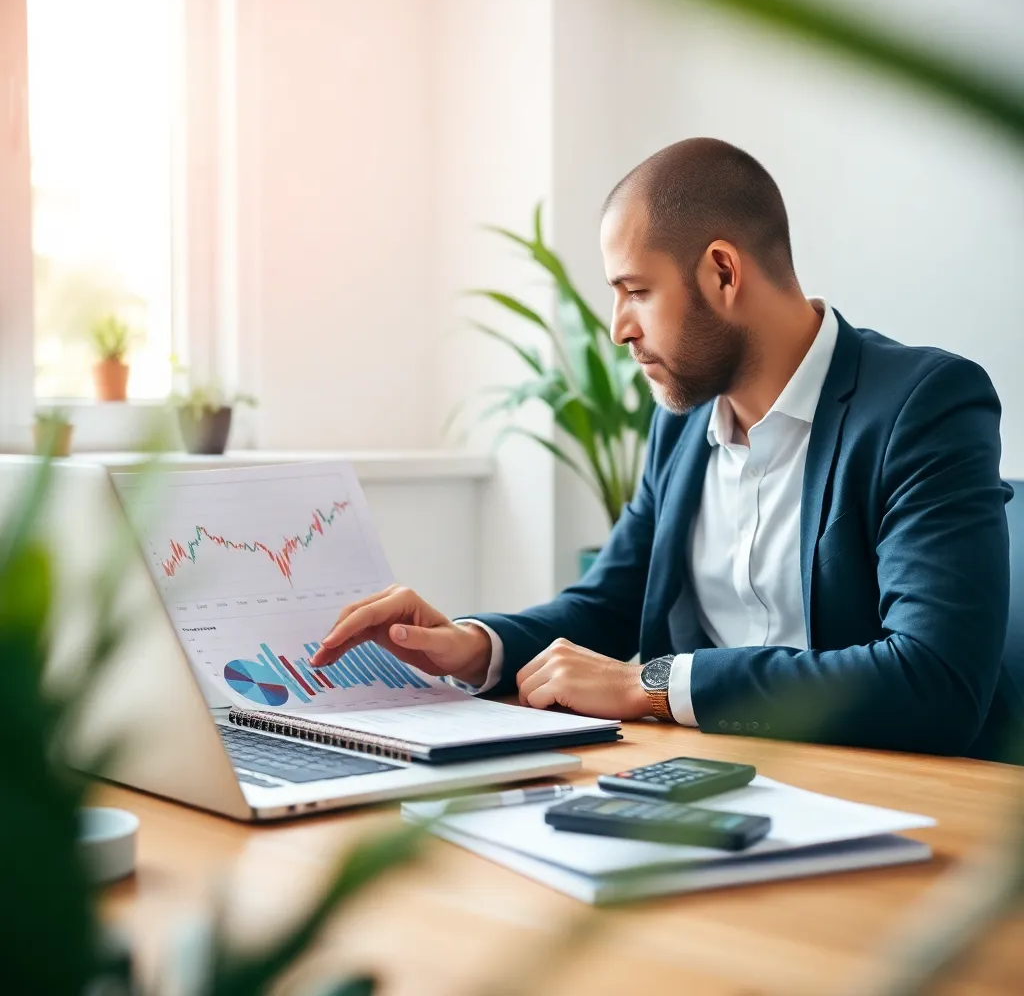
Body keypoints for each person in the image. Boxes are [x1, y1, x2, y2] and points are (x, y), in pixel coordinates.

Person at [313, 137, 1017, 758]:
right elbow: (610, 602)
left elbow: (935, 683)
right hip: (695, 783)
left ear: (722, 273)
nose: (619, 327)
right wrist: (474, 646)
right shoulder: (681, 424)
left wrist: (649, 685)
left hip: (874, 795)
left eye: (636, 291)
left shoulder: (924, 404)